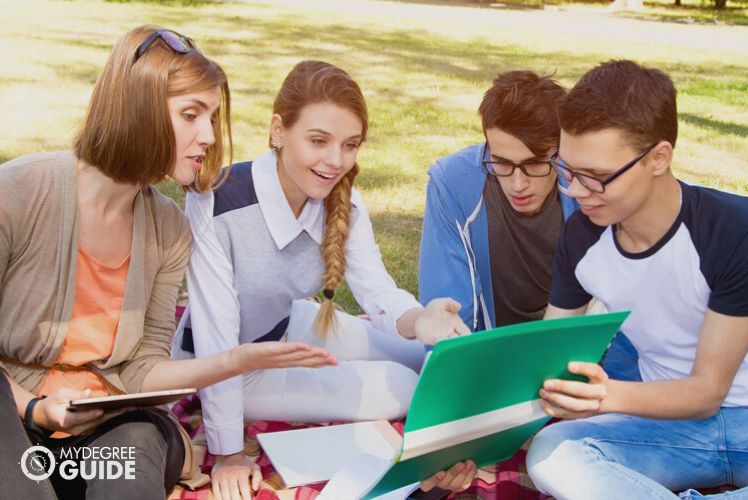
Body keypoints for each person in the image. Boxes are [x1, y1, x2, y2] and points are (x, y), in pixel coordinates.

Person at [0, 26, 335, 500]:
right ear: (136, 108)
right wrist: (36, 410)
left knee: (138, 439)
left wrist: (233, 361)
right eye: (190, 115)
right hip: (15, 423)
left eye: (213, 117)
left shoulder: (169, 228)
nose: (208, 135)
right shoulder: (16, 194)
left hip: (92, 441)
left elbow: (143, 369)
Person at [175, 60, 473, 498]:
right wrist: (228, 451)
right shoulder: (215, 200)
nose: (335, 161)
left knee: (422, 356)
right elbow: (218, 335)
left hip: (291, 324)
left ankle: (481, 418)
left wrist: (419, 318)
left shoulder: (344, 203)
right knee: (407, 387)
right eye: (319, 141)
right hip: (235, 366)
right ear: (278, 130)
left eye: (350, 145)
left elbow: (376, 290)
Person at [525, 60, 748, 499]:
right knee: (552, 452)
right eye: (567, 171)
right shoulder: (583, 236)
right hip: (664, 426)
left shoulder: (737, 228)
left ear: (659, 158)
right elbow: (547, 351)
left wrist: (604, 398)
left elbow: (707, 392)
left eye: (597, 177)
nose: (576, 192)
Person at [418, 70, 579, 332]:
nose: (518, 184)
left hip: (572, 345)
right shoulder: (451, 183)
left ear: (560, 153)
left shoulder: (585, 182)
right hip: (487, 350)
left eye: (535, 164)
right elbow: (448, 313)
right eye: (501, 162)